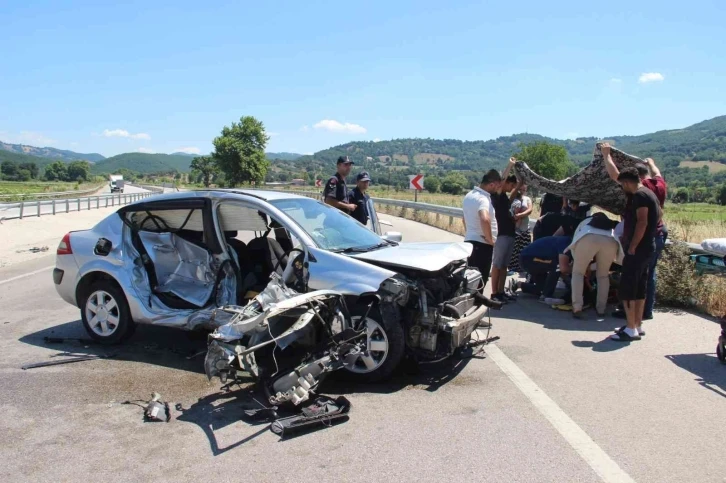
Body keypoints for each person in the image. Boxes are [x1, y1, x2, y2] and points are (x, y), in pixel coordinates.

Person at [602, 144, 668, 320]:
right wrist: (651, 162)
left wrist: (606, 155)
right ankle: (645, 312)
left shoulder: (640, 191)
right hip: (658, 234)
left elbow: (615, 175)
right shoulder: (658, 186)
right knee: (648, 275)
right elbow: (657, 172)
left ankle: (631, 319)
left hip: (641, 239)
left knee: (633, 280)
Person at [608, 167, 661, 341]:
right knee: (640, 288)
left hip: (638, 249)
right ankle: (637, 325)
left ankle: (630, 328)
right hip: (648, 247)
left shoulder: (639, 196)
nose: (623, 188)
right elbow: (659, 215)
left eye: (622, 184)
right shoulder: (650, 193)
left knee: (628, 289)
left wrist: (632, 246)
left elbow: (642, 222)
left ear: (627, 182)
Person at [565, 213, 623, 318]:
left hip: (588, 237)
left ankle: (577, 308)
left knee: (578, 273)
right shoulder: (608, 225)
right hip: (611, 240)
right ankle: (601, 309)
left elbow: (576, 244)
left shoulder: (585, 222)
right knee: (603, 275)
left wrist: (582, 264)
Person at [462, 169, 501, 290]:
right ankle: (477, 305)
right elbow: (484, 218)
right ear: (491, 184)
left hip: (470, 242)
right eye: (497, 186)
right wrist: (490, 240)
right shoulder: (483, 199)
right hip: (482, 245)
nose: (497, 190)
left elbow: (464, 219)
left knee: (470, 278)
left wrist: (470, 232)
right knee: (480, 281)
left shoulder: (469, 196)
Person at [510, 235, 573, 303]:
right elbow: (563, 269)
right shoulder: (566, 242)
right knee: (557, 267)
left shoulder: (566, 243)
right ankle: (546, 296)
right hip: (529, 258)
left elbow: (563, 271)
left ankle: (519, 284)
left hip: (533, 259)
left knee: (542, 289)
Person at [490, 158, 518, 303]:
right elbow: (502, 181)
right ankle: (494, 293)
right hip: (501, 234)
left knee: (504, 266)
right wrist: (510, 165)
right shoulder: (497, 195)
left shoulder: (505, 199)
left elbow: (513, 194)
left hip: (509, 233)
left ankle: (501, 292)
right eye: (511, 185)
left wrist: (520, 184)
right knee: (497, 265)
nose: (511, 187)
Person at [508, 182, 533, 274]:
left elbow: (530, 210)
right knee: (513, 250)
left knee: (524, 250)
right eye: (520, 189)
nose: (522, 191)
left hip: (525, 228)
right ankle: (512, 268)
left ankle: (523, 267)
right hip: (514, 228)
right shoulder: (512, 198)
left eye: (524, 190)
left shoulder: (527, 199)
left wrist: (519, 215)